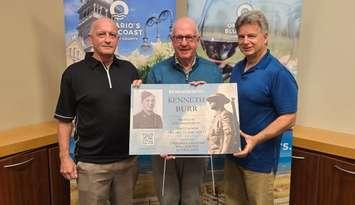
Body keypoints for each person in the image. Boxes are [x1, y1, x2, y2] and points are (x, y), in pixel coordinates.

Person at [54, 17, 140, 205]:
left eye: (113, 35)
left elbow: (145, 112)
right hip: (91, 165)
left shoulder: (130, 70)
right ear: (90, 38)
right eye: (102, 34)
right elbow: (64, 120)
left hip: (128, 162)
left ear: (117, 40)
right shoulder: (73, 74)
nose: (108, 39)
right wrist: (64, 157)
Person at [146, 17, 223, 205]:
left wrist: (207, 95)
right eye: (178, 37)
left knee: (192, 200)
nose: (184, 42)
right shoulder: (157, 71)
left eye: (189, 37)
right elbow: (149, 115)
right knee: (168, 200)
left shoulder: (212, 72)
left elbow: (219, 113)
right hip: (165, 152)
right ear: (172, 40)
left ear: (197, 40)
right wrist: (159, 142)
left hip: (197, 151)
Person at [225, 10, 298, 205]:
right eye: (241, 36)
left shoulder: (278, 73)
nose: (246, 41)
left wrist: (255, 139)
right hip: (233, 157)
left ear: (265, 37)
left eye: (252, 36)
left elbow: (289, 117)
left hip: (259, 163)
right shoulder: (238, 68)